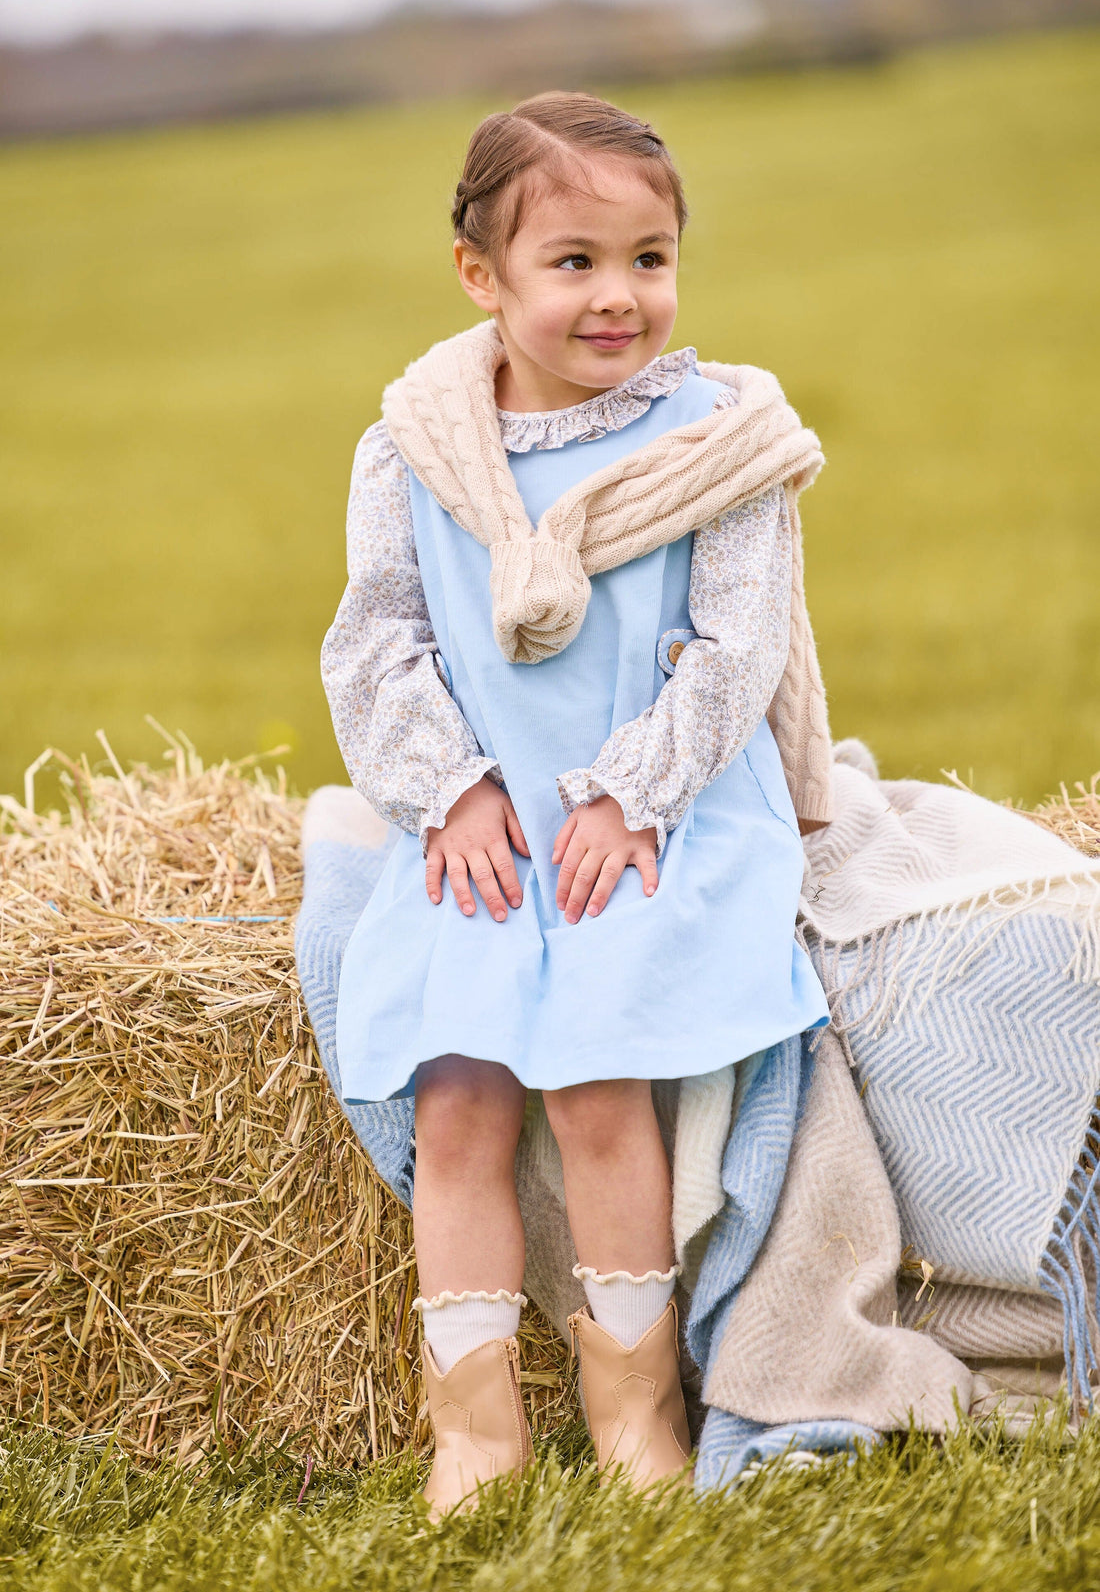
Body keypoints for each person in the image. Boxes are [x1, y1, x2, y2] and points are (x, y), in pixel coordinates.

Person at [321, 91, 832, 1515]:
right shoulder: (413, 452)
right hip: (486, 821)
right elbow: (376, 642)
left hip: (649, 808)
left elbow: (741, 649)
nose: (622, 295)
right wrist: (456, 792)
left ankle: (636, 1406)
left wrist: (634, 794)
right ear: (482, 276)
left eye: (651, 257)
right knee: (462, 1092)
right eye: (575, 262)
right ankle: (474, 1424)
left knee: (604, 1084)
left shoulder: (718, 439)